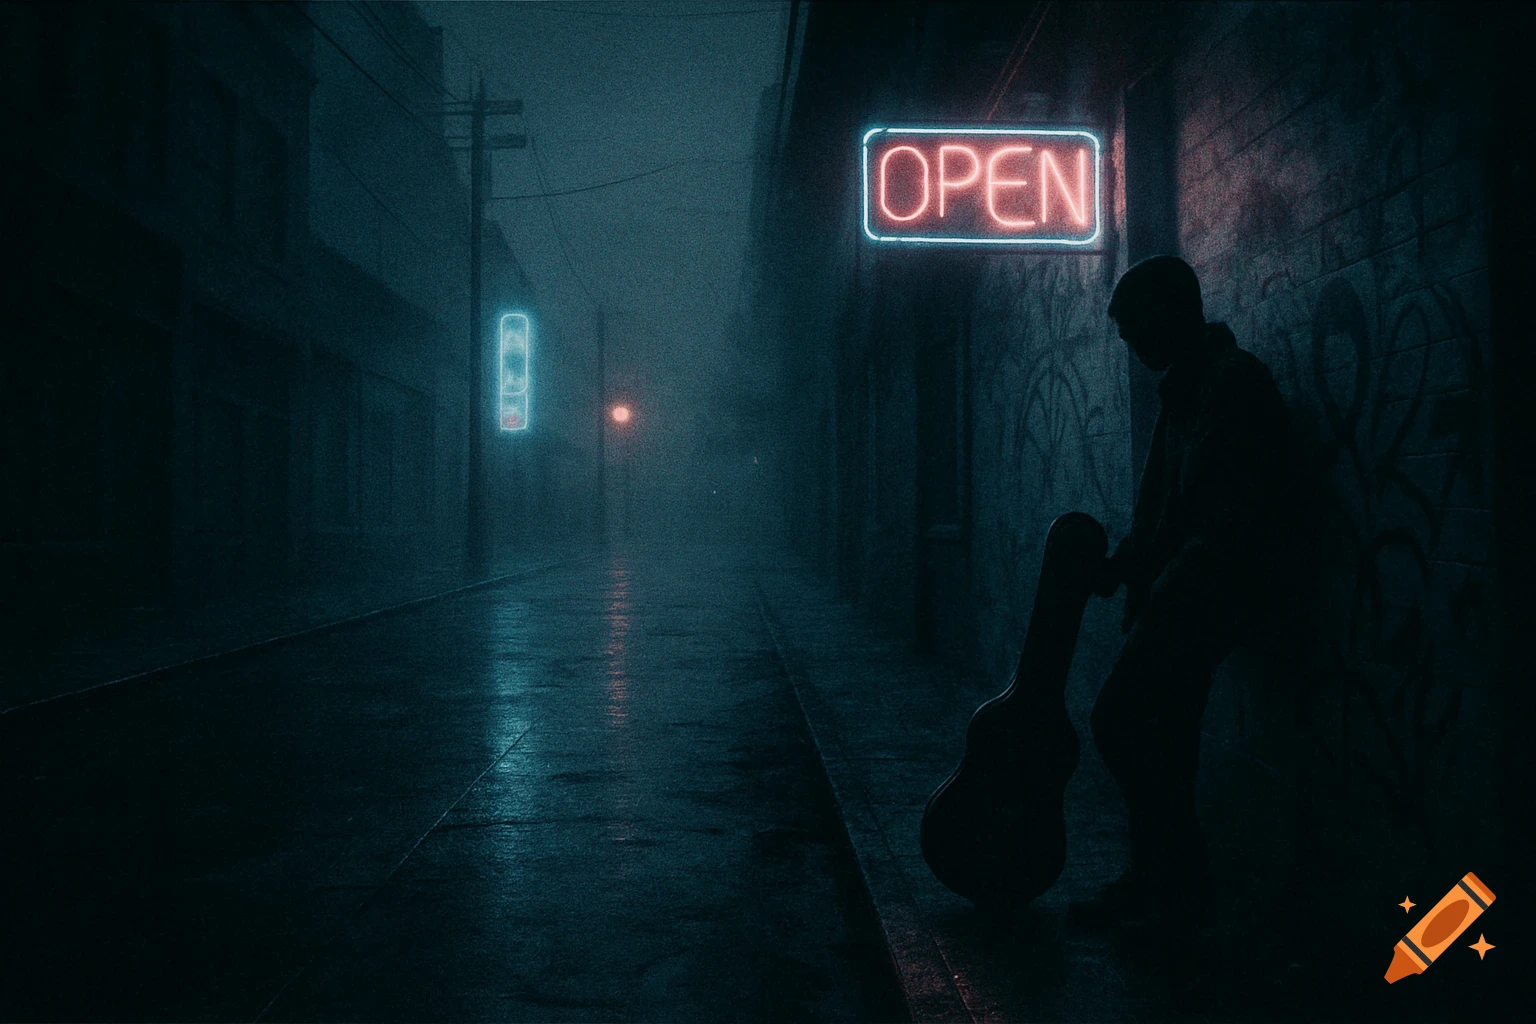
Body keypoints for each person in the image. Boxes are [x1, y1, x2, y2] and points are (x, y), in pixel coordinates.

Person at [1070, 255, 1290, 932]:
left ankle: (1174, 882)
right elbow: (1164, 507)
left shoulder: (1228, 386)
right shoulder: (1192, 389)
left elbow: (1221, 517)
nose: (1132, 348)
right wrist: (1120, 569)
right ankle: (1163, 885)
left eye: (1136, 330)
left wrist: (1155, 586)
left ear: (1169, 316)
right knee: (1163, 742)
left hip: (1201, 599)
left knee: (1121, 723)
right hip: (1184, 597)